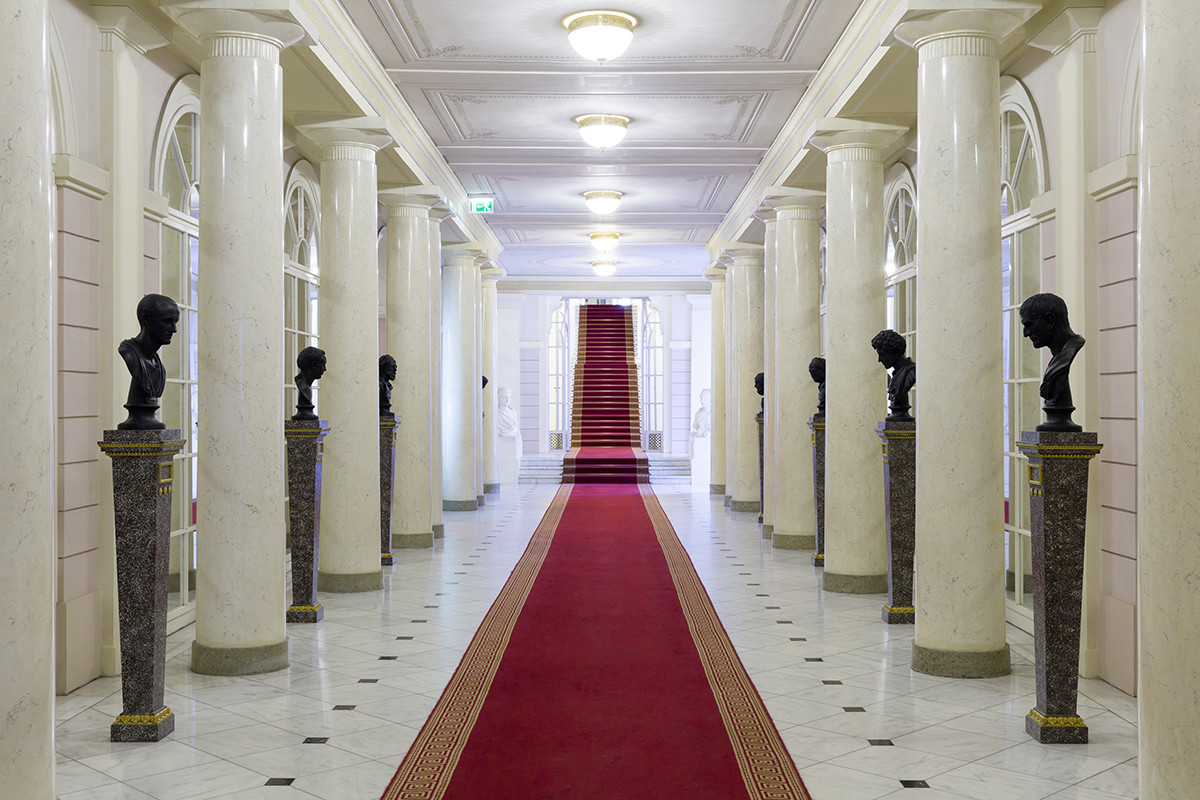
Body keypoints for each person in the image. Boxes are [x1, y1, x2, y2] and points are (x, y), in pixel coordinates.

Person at [1019, 292, 1085, 431]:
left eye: (1029, 325)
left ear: (1049, 320)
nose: (1026, 333)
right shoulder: (1056, 359)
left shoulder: (1067, 354)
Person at [117, 293, 180, 430]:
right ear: (146, 320)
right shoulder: (129, 353)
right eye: (167, 321)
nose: (174, 329)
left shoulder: (159, 368)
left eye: (175, 322)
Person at [870, 329, 916, 421]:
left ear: (893, 351)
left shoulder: (911, 372)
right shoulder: (895, 375)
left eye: (882, 355)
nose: (879, 360)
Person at [292, 347, 327, 421]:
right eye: (322, 365)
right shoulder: (303, 386)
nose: (324, 369)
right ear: (313, 365)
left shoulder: (307, 387)